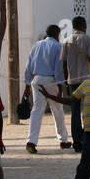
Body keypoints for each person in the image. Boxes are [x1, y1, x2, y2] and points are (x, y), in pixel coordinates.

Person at [23, 25, 71, 153]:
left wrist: (27, 84)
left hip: (37, 80)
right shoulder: (58, 46)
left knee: (36, 111)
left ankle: (31, 141)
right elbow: (58, 68)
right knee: (57, 110)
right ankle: (63, 140)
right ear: (57, 34)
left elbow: (28, 65)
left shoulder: (36, 45)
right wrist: (61, 86)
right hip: (51, 81)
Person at [62, 16, 90, 151]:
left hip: (72, 80)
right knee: (89, 109)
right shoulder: (88, 39)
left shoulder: (66, 41)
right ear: (84, 25)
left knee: (75, 112)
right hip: (87, 79)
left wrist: (66, 82)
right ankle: (88, 139)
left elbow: (64, 63)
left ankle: (77, 142)